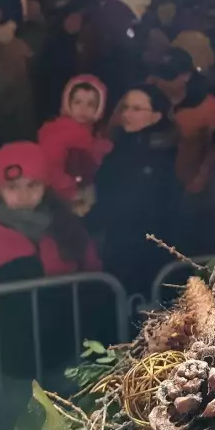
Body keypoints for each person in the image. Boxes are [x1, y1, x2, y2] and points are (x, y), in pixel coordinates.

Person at [0, 142, 101, 430]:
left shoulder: (68, 230)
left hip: (66, 356)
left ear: (45, 186)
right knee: (17, 429)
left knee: (74, 427)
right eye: (13, 187)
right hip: (13, 365)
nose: (23, 195)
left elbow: (95, 277)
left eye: (32, 185)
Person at [87, 84, 181, 294]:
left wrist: (91, 219)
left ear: (156, 116)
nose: (127, 114)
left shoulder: (160, 158)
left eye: (136, 109)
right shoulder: (123, 146)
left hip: (144, 253)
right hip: (120, 246)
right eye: (125, 107)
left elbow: (132, 203)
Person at [147, 48, 215, 193]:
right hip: (150, 175)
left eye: (168, 76)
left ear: (186, 76)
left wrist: (201, 178)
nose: (161, 81)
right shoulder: (150, 94)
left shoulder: (208, 106)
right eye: (160, 74)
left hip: (184, 181)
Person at [37, 74, 113, 215]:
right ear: (67, 103)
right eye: (78, 102)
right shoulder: (59, 132)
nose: (83, 109)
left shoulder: (88, 132)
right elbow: (51, 166)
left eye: (90, 104)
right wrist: (69, 191)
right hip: (64, 196)